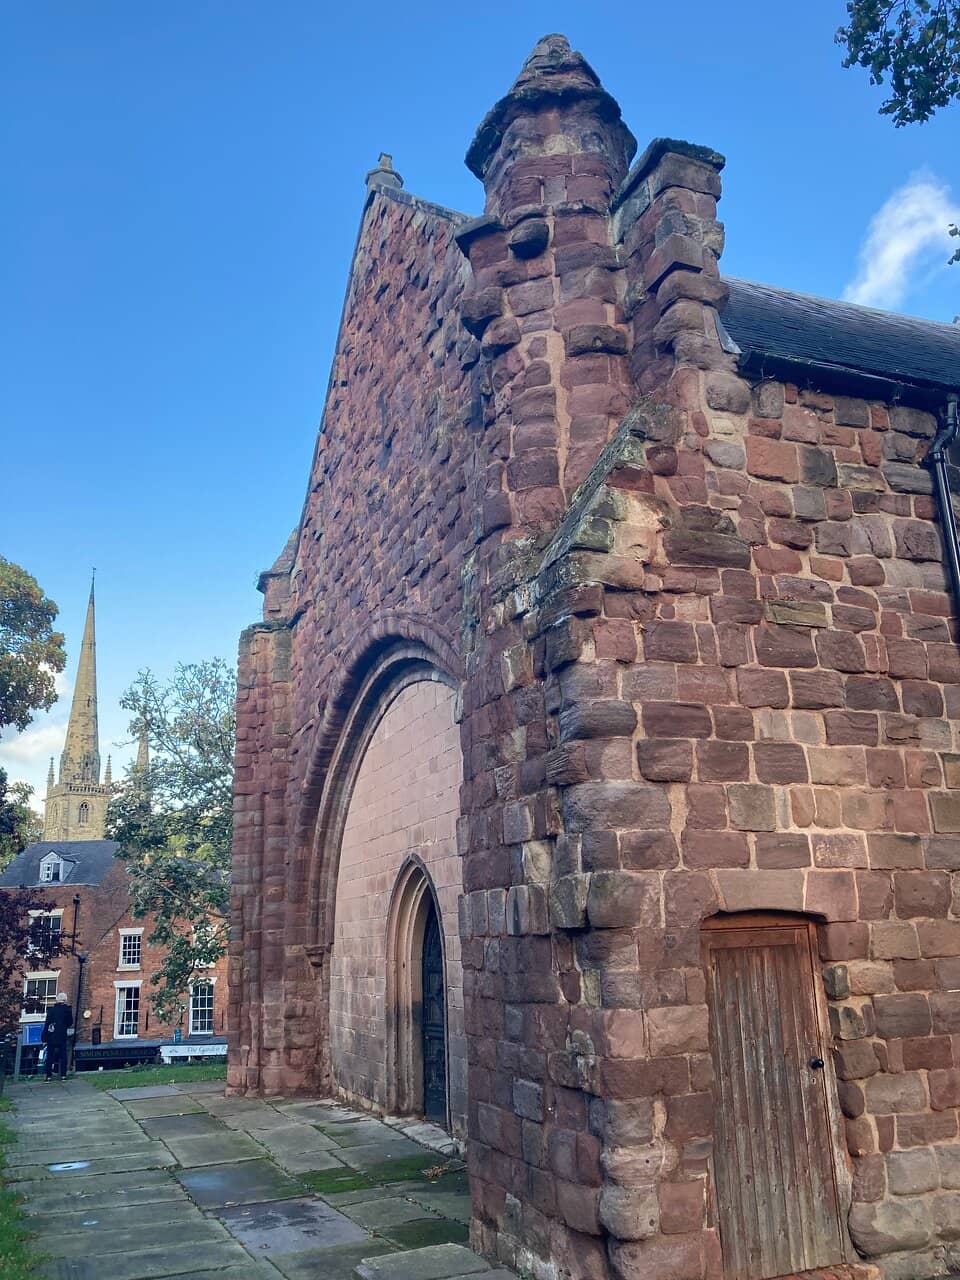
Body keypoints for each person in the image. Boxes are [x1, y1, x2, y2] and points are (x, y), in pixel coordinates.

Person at [41, 993, 73, 1081]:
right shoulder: (67, 1010)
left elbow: (47, 1024)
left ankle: (48, 1076)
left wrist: (44, 1038)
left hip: (51, 1035)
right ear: (65, 1000)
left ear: (57, 1000)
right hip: (62, 1035)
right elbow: (70, 1022)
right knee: (63, 1055)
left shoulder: (51, 1010)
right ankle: (63, 1075)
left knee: (50, 1056)